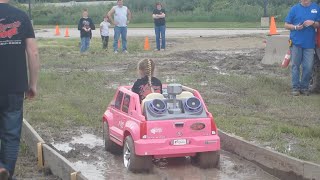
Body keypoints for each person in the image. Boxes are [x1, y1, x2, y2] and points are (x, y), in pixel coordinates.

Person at [0, 0, 40, 178]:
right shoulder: (22, 16)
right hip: (15, 85)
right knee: (11, 134)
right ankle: (6, 171)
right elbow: (33, 52)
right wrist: (33, 84)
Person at [285, 0, 320, 96]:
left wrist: (312, 23)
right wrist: (295, 27)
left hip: (309, 44)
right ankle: (295, 88)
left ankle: (304, 87)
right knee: (295, 66)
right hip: (296, 42)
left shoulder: (316, 8)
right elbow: (286, 25)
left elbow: (318, 24)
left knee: (308, 67)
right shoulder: (294, 9)